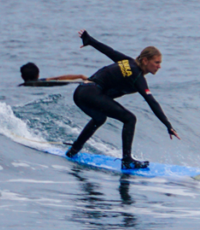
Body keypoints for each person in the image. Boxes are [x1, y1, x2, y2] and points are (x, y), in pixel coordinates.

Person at [65, 29, 180, 169]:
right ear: (145, 61)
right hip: (90, 92)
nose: (159, 66)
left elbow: (109, 51)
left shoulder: (128, 62)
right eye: (156, 62)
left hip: (82, 92)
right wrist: (168, 125)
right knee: (130, 118)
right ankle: (127, 161)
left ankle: (74, 150)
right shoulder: (137, 76)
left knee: (100, 118)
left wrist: (89, 40)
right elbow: (152, 101)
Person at [19, 62, 88, 86]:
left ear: (22, 77)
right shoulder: (43, 82)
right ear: (38, 75)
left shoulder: (21, 86)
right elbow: (58, 78)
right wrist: (80, 76)